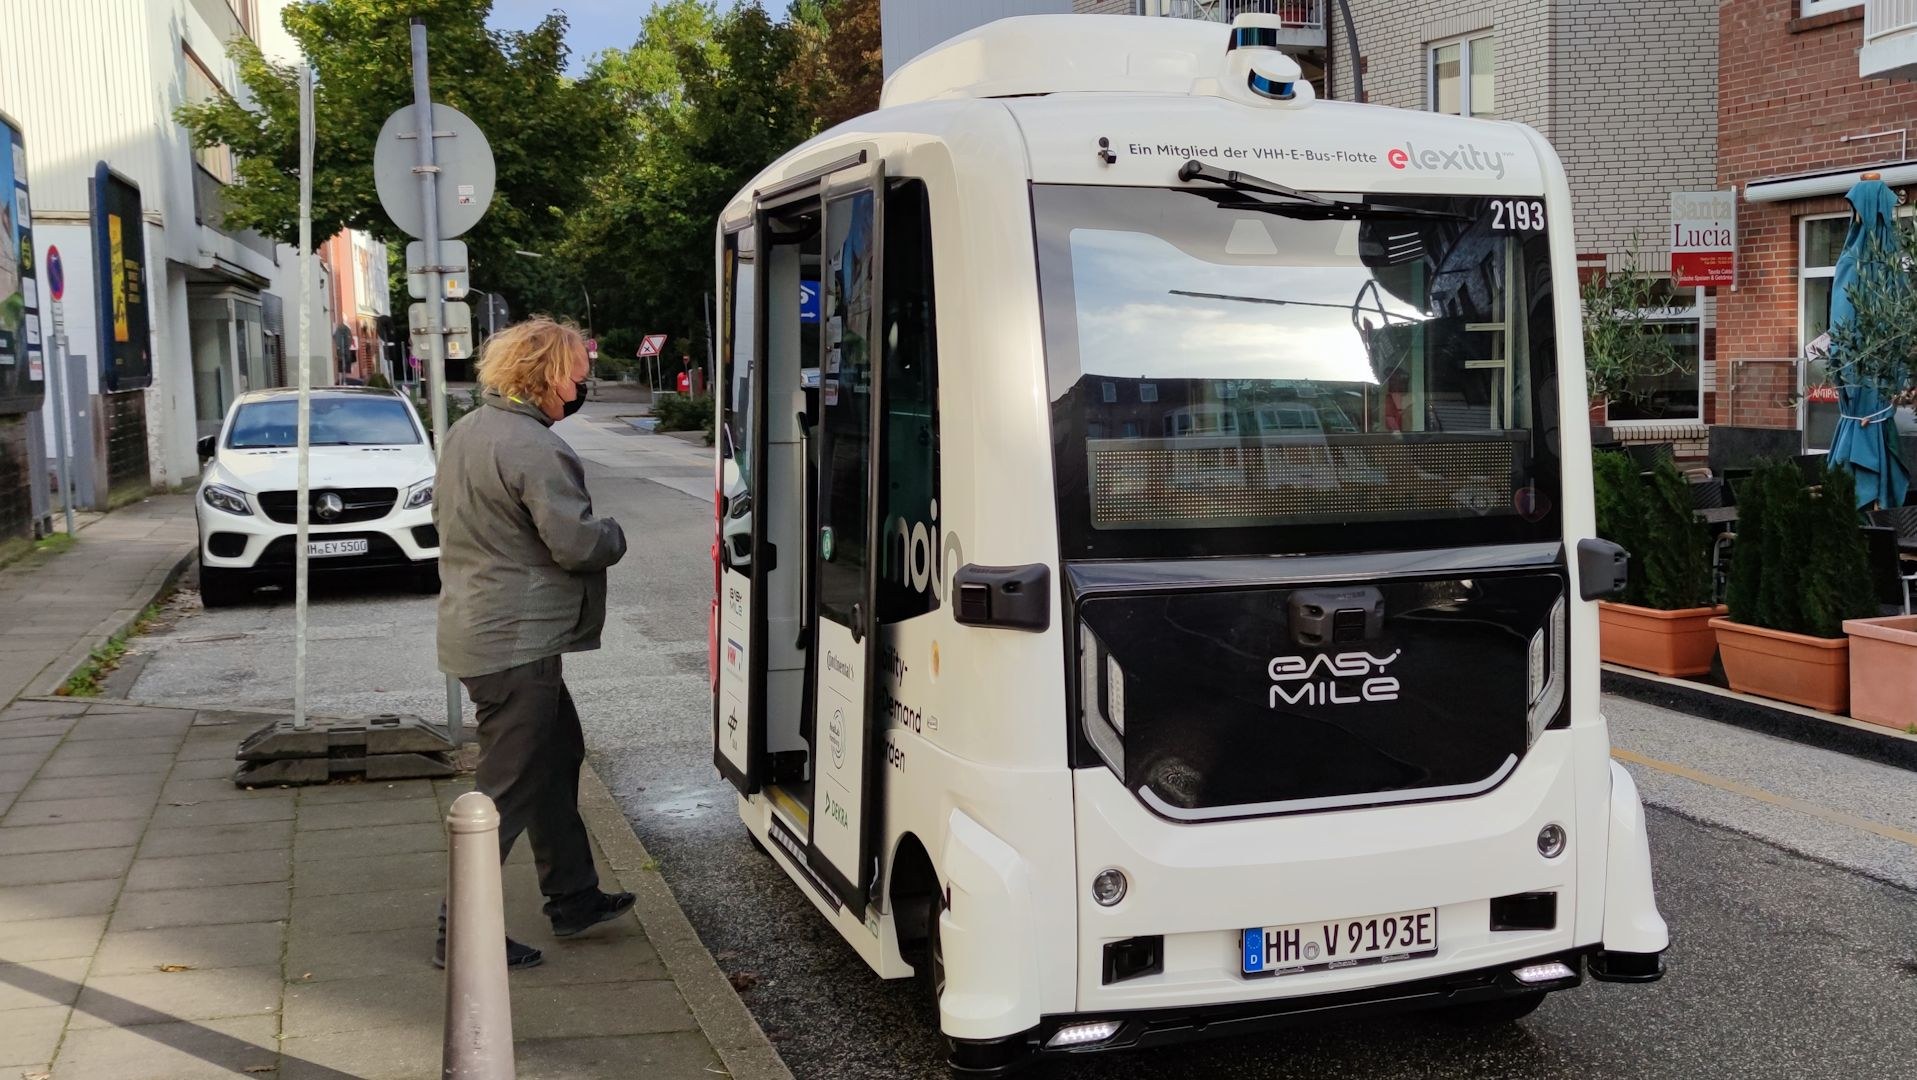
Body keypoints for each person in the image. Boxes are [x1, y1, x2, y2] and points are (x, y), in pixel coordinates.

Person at [432, 316, 632, 970]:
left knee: (554, 758)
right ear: (547, 373)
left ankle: (573, 897)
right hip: (514, 646)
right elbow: (574, 544)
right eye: (576, 370)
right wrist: (612, 535)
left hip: (484, 627)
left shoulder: (469, 431)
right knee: (506, 791)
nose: (581, 382)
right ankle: (458, 934)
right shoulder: (532, 447)